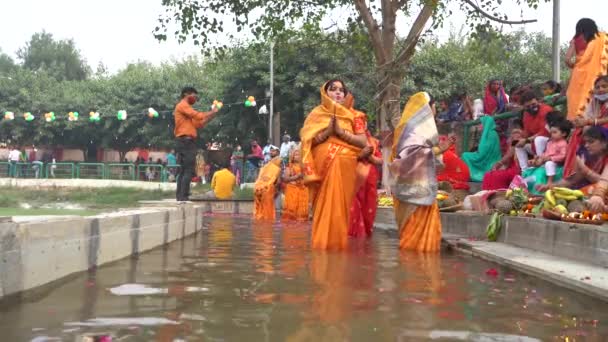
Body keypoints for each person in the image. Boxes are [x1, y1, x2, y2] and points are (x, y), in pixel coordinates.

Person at [300, 79, 367, 250]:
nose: (338, 92)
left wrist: (340, 132)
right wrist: (327, 133)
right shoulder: (316, 114)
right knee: (323, 205)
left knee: (339, 208)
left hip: (345, 167)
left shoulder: (355, 116)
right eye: (333, 89)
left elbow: (362, 141)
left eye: (342, 90)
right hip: (323, 168)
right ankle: (322, 247)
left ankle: (336, 247)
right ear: (325, 92)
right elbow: (308, 143)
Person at [389, 92, 442, 252]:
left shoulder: (406, 130)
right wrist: (439, 150)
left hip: (411, 185)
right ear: (426, 108)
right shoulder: (412, 132)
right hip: (414, 189)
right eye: (434, 106)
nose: (435, 111)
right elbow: (412, 155)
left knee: (411, 235)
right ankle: (416, 266)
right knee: (416, 242)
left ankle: (409, 268)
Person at [537, 126, 608, 213]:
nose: (586, 145)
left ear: (605, 143)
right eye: (586, 142)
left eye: (591, 142)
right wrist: (551, 186)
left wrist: (585, 171)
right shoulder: (586, 158)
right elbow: (571, 180)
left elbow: (604, 182)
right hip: (594, 199)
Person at [173, 86, 219, 201]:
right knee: (188, 169)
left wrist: (212, 115)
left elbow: (199, 124)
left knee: (185, 169)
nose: (195, 98)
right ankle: (183, 196)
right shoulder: (183, 105)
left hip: (186, 141)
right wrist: (211, 111)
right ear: (185, 94)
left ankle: (181, 196)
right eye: (194, 95)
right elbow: (198, 115)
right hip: (185, 141)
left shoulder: (187, 112)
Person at [564, 76, 608, 178]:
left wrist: (590, 122)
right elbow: (587, 117)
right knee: (578, 133)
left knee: (596, 131)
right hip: (597, 127)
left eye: (604, 86)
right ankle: (574, 171)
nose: (600, 89)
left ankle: (593, 171)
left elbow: (591, 120)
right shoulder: (595, 102)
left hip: (604, 127)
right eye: (597, 87)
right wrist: (580, 121)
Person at [565, 18, 608, 120]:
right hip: (597, 74)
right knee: (593, 99)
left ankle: (575, 123)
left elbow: (567, 59)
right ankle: (593, 122)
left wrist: (576, 66)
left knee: (576, 100)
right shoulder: (603, 37)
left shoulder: (575, 39)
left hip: (578, 76)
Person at [349, 130, 383, 238]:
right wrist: (360, 155)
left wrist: (371, 158)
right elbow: (342, 158)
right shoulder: (349, 138)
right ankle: (355, 237)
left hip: (370, 180)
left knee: (368, 209)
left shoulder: (374, 142)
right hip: (353, 179)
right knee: (353, 209)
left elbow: (381, 160)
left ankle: (364, 237)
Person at [524, 119, 572, 191]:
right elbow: (546, 153)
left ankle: (550, 182)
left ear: (564, 134)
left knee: (549, 164)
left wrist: (550, 158)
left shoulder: (563, 143)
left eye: (555, 132)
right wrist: (537, 159)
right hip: (547, 163)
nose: (552, 134)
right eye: (551, 132)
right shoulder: (550, 142)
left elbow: (563, 156)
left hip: (557, 164)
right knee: (529, 169)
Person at [514, 90, 553, 171]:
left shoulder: (546, 110)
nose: (532, 107)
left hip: (550, 142)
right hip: (535, 144)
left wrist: (526, 140)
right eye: (528, 106)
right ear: (524, 107)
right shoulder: (526, 114)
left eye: (534, 104)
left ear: (538, 101)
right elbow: (527, 133)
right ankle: (525, 171)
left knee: (539, 139)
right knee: (516, 143)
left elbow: (544, 132)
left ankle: (542, 166)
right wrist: (520, 138)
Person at [482, 122, 524, 190]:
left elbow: (509, 156)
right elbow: (507, 161)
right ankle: (487, 196)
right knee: (488, 174)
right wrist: (500, 166)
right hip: (510, 169)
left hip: (518, 170)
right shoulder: (511, 143)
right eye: (513, 134)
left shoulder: (522, 142)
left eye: (518, 134)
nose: (515, 136)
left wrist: (498, 164)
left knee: (496, 175)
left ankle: (498, 194)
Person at [461, 115, 502, 182]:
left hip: (486, 159)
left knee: (465, 155)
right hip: (491, 159)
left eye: (481, 123)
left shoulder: (489, 134)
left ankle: (473, 175)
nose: (479, 125)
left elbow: (482, 153)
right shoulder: (493, 133)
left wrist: (476, 153)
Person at [253, 146, 282, 220]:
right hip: (263, 185)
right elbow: (262, 173)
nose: (271, 152)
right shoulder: (267, 162)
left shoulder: (279, 160)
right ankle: (261, 216)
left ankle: (268, 218)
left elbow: (280, 172)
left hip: (271, 185)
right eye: (271, 151)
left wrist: (277, 185)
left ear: (278, 152)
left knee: (268, 203)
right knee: (261, 201)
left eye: (273, 151)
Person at [282, 147, 309, 221]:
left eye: (299, 154)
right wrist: (296, 177)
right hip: (292, 191)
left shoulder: (305, 166)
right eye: (296, 154)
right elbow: (285, 179)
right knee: (291, 213)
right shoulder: (290, 167)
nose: (297, 156)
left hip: (303, 190)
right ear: (292, 157)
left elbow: (309, 178)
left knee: (302, 216)